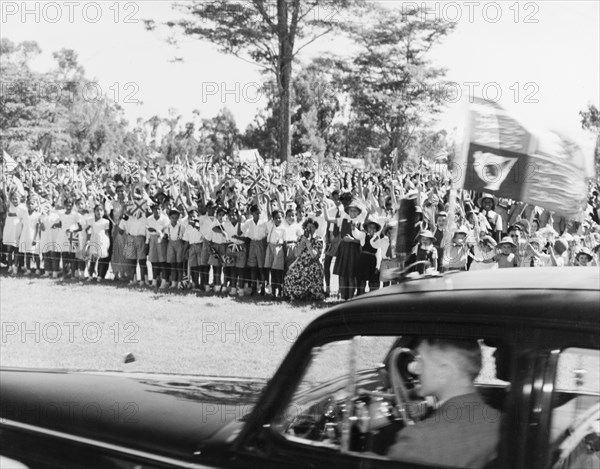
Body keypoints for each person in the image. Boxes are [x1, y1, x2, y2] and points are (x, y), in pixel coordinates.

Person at [387, 338, 501, 468]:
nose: (414, 369)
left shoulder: (418, 439)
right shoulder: (500, 421)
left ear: (444, 372)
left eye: (420, 361)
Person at [283, 218, 326, 301]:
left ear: (316, 228)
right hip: (301, 263)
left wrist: (308, 243)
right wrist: (303, 241)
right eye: (308, 227)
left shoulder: (319, 240)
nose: (309, 229)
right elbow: (296, 254)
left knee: (311, 273)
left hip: (313, 264)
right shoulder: (300, 238)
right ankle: (295, 295)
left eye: (312, 227)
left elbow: (314, 256)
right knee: (290, 274)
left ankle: (311, 294)